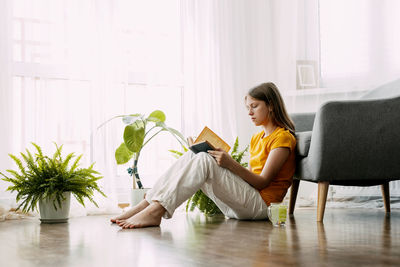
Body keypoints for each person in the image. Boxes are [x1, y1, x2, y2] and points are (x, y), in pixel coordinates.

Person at [111, 82, 296, 229]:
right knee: (195, 155)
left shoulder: (283, 138)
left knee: (203, 159)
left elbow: (263, 182)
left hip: (263, 207)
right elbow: (250, 176)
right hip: (242, 206)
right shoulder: (258, 137)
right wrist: (220, 160)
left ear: (271, 106)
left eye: (254, 106)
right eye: (248, 107)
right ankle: (147, 203)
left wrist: (229, 164)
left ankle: (155, 211)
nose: (249, 112)